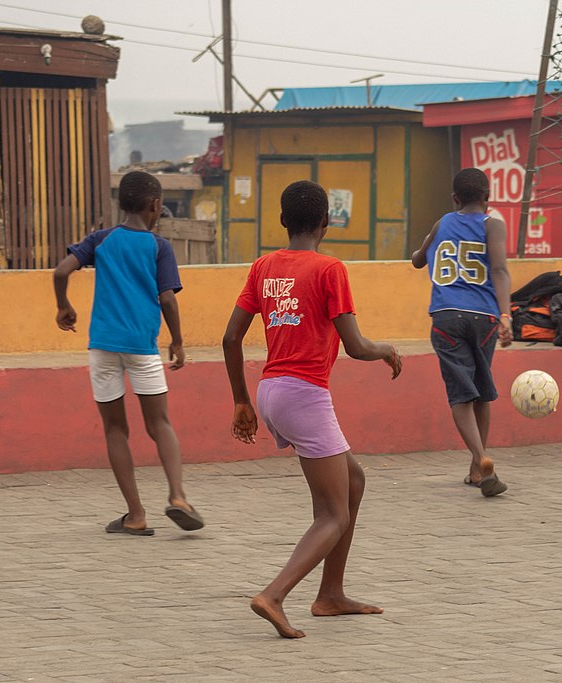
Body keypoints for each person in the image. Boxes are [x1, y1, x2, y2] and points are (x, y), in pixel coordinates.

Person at [222, 180, 402, 638]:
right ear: (327, 222)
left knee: (353, 481)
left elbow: (230, 338)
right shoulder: (330, 269)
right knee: (332, 514)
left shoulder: (264, 266)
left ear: (283, 221)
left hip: (270, 391)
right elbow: (357, 346)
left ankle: (331, 595)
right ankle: (274, 595)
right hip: (304, 395)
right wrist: (387, 350)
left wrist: (241, 400)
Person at [52, 170, 204, 536]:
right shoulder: (158, 246)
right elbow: (167, 297)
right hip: (142, 346)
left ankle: (135, 515)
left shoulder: (101, 240)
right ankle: (178, 495)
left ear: (122, 204)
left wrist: (63, 307)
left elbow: (60, 271)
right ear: (155, 206)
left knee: (115, 428)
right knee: (160, 424)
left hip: (103, 346)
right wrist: (178, 341)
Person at [410, 168, 513, 497]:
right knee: (482, 390)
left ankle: (479, 459)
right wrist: (506, 314)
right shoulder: (492, 223)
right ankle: (478, 467)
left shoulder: (442, 222)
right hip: (484, 317)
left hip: (446, 316)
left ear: (455, 199)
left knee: (460, 394)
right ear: (488, 198)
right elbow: (498, 268)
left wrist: (420, 252)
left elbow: (418, 260)